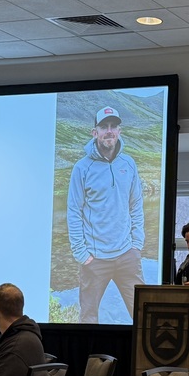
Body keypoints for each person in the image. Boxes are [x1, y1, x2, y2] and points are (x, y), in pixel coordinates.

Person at [67, 105, 145, 324]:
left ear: (119, 131)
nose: (109, 131)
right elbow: (74, 212)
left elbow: (136, 206)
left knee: (142, 316)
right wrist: (82, 255)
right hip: (95, 259)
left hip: (126, 256)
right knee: (88, 320)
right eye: (104, 127)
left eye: (113, 126)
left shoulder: (128, 164)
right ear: (95, 133)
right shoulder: (82, 168)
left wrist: (136, 245)